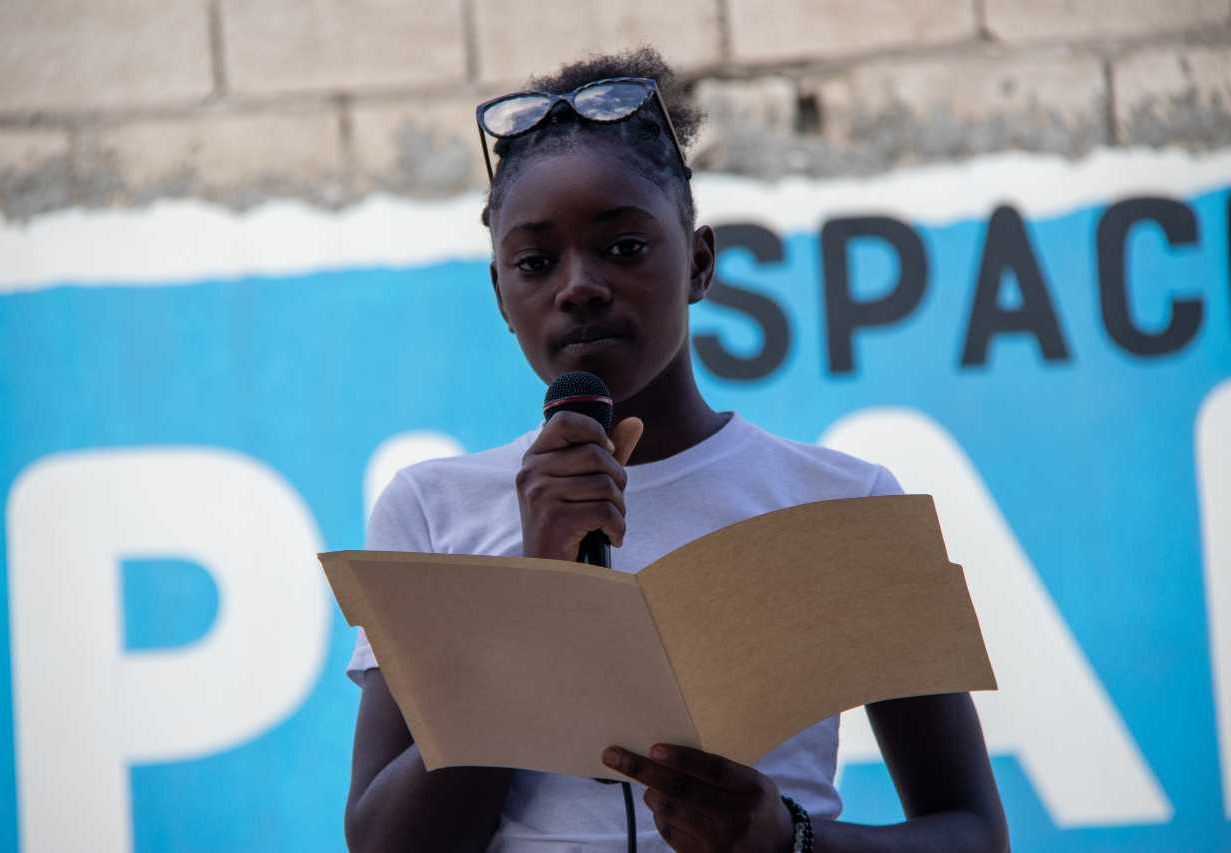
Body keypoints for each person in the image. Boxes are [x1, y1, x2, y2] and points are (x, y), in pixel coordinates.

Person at [343, 46, 1009, 853]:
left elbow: (974, 835)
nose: (578, 285)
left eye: (624, 247)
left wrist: (784, 839)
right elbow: (384, 845)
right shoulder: (428, 508)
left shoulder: (845, 503)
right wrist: (535, 587)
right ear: (500, 296)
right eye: (535, 261)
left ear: (698, 261)